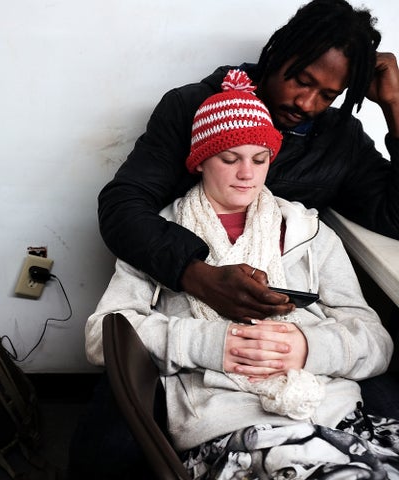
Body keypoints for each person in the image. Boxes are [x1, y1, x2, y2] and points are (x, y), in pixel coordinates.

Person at [75, 70, 397, 479]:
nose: (247, 173)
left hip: (330, 414)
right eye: (230, 158)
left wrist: (307, 347)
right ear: (200, 161)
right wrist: (214, 344)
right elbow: (103, 335)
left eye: (259, 159)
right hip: (224, 422)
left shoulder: (309, 232)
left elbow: (375, 340)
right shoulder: (161, 236)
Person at [96, 0, 399, 421]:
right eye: (300, 80)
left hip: (296, 352)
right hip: (192, 333)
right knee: (113, 443)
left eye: (328, 95)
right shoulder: (193, 109)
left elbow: (394, 216)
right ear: (275, 55)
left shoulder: (337, 141)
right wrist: (196, 275)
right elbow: (122, 207)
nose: (308, 103)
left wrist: (395, 107)